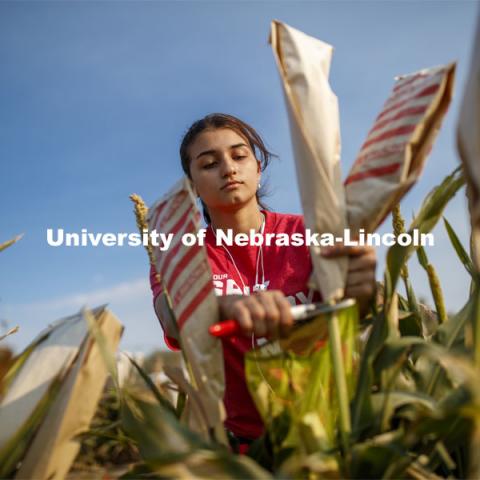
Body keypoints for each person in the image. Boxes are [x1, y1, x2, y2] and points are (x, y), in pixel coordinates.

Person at [150, 113, 376, 448]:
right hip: (247, 449)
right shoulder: (177, 255)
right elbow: (171, 318)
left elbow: (356, 313)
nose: (228, 168)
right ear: (192, 186)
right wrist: (221, 305)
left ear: (257, 167)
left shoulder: (310, 231)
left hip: (339, 429)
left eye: (239, 156)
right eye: (209, 163)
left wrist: (364, 290)